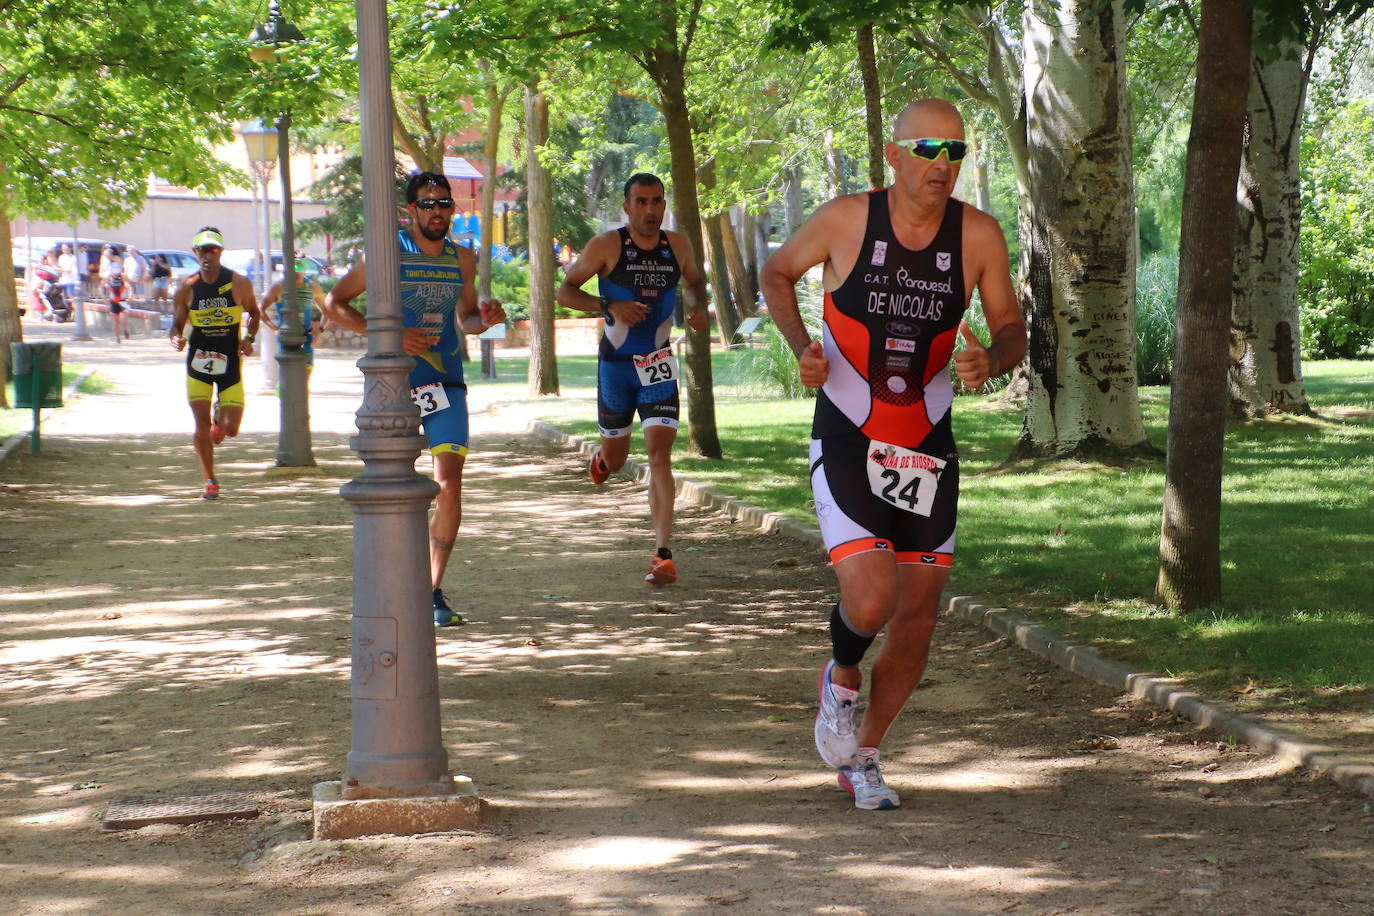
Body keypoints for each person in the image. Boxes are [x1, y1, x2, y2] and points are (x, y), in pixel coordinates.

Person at [760, 99, 1027, 811]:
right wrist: (802, 350)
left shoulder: (978, 235)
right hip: (848, 428)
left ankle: (866, 753)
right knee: (872, 597)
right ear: (895, 154)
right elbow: (777, 270)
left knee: (919, 611)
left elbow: (1010, 329)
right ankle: (841, 672)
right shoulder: (847, 219)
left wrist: (990, 363)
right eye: (930, 149)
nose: (943, 164)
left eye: (956, 152)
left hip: (926, 440)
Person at [323, 172, 505, 627]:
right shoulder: (388, 255)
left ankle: (431, 588)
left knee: (449, 483)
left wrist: (486, 321)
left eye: (445, 204)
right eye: (428, 204)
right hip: (395, 385)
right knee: (391, 487)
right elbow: (335, 302)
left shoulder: (463, 258)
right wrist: (387, 334)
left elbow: (464, 319)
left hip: (444, 383)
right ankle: (388, 583)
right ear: (411, 210)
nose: (438, 211)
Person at [555, 173, 710, 587]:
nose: (650, 210)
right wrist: (609, 305)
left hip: (657, 364)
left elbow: (695, 284)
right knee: (619, 459)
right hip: (616, 367)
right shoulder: (607, 246)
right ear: (627, 207)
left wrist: (697, 310)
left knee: (660, 456)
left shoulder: (677, 246)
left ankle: (662, 554)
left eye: (656, 201)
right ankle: (603, 460)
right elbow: (565, 292)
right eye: (640, 202)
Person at [169, 227, 261, 500]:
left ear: (221, 252)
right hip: (198, 362)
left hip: (229, 362)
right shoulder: (187, 287)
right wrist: (175, 338)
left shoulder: (238, 282)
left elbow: (254, 312)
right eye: (202, 250)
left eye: (213, 249)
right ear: (195, 252)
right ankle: (210, 480)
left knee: (231, 429)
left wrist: (249, 337)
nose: (208, 255)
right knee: (199, 423)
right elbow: (176, 325)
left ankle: (220, 420)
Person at [259, 258, 327, 387]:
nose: (295, 279)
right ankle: (284, 399)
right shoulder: (279, 287)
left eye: (298, 275)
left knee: (305, 379)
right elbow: (260, 309)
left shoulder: (312, 287)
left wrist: (320, 330)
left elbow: (327, 310)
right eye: (292, 275)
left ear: (304, 273)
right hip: (286, 338)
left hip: (306, 338)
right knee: (287, 378)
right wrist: (274, 329)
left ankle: (299, 404)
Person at [99, 245, 128, 342]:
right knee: (115, 319)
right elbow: (100, 274)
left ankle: (125, 329)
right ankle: (117, 337)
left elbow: (122, 271)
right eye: (105, 253)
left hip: (121, 293)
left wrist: (118, 274)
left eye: (108, 252)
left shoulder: (117, 259)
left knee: (123, 316)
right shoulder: (103, 260)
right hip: (111, 291)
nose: (106, 254)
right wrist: (104, 299)